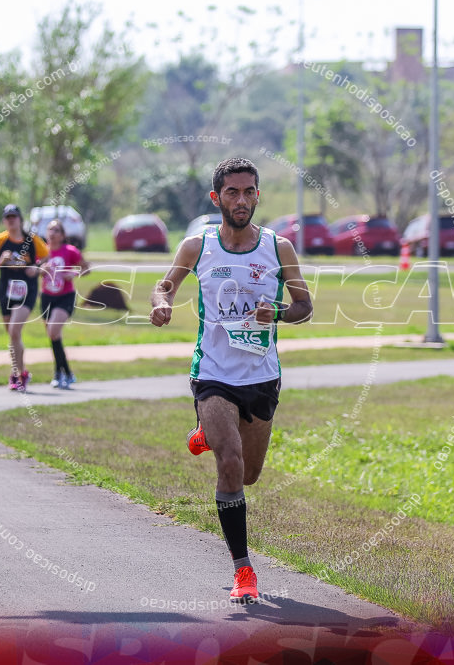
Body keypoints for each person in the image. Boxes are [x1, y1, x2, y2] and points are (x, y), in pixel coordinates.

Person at [150, 157, 313, 602]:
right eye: (232, 193)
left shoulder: (279, 248)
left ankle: (207, 433)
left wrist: (277, 311)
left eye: (249, 192)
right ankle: (244, 571)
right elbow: (164, 287)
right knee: (231, 463)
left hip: (262, 376)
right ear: (216, 197)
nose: (241, 200)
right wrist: (161, 304)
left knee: (252, 474)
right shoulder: (197, 246)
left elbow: (304, 306)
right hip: (214, 374)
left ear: (258, 195)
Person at [0, 205, 49, 391]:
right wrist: (0, 262)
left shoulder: (32, 240)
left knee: (14, 331)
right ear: (4, 220)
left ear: (20, 219)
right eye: (8, 217)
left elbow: (46, 258)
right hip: (6, 290)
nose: (11, 220)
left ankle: (17, 374)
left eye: (14, 217)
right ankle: (21, 372)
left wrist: (36, 268)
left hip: (27, 289)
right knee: (13, 335)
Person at [39, 219, 89, 389]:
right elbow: (34, 270)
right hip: (46, 296)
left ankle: (59, 373)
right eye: (49, 230)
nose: (52, 233)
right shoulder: (42, 251)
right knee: (54, 337)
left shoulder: (70, 251)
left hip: (65, 296)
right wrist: (41, 269)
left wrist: (73, 273)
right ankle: (65, 373)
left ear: (62, 235)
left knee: (53, 331)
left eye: (56, 230)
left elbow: (86, 269)